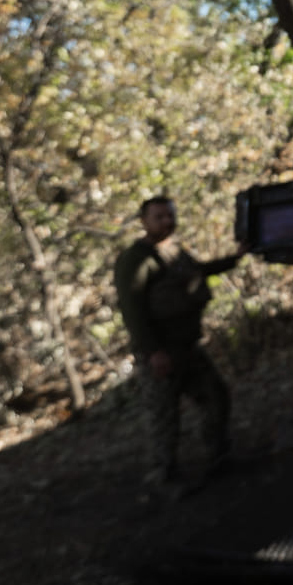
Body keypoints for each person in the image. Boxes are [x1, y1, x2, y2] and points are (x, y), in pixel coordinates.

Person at [113, 195, 243, 486]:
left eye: (170, 215)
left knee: (215, 397)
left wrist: (235, 258)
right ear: (144, 221)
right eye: (159, 217)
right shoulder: (135, 259)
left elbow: (199, 270)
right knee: (164, 417)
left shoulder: (174, 250)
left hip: (189, 348)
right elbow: (132, 310)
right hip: (162, 351)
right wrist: (153, 352)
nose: (167, 221)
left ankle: (219, 456)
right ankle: (164, 477)